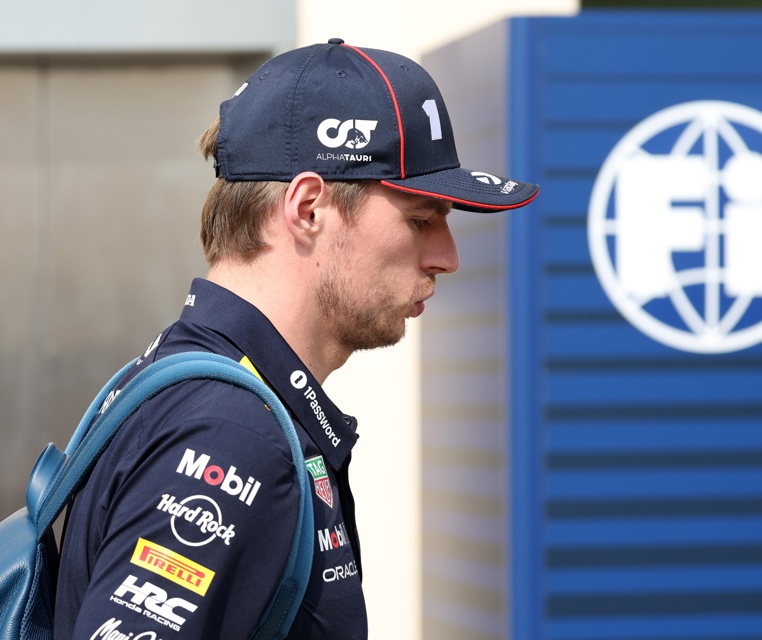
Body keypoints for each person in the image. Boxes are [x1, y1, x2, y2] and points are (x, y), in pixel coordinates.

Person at [53, 38, 538, 639]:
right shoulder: (230, 432)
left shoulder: (204, 389)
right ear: (308, 209)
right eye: (419, 219)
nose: (448, 257)